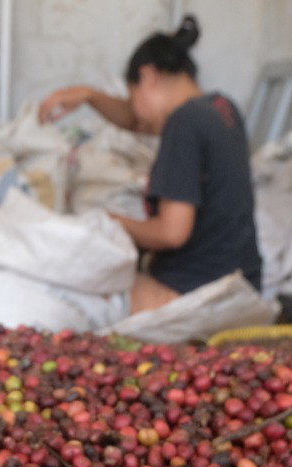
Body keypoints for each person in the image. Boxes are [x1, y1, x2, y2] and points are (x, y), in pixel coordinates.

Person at [40, 17, 262, 313]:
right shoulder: (221, 108)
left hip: (194, 293)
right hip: (243, 285)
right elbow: (138, 120)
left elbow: (172, 232)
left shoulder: (183, 122)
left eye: (132, 97)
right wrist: (89, 95)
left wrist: (108, 220)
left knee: (66, 291)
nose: (137, 117)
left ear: (148, 76)